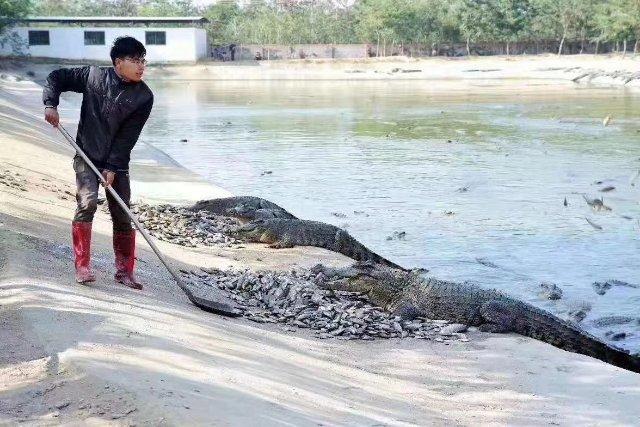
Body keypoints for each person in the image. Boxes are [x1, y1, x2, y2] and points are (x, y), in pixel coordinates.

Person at [43, 36, 154, 290]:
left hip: (118, 161)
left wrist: (113, 167)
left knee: (122, 214)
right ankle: (82, 266)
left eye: (143, 60)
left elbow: (128, 138)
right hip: (86, 155)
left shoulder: (144, 97)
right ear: (118, 62)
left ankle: (125, 271)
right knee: (87, 202)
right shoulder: (93, 77)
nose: (141, 66)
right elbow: (56, 78)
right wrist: (51, 104)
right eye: (134, 60)